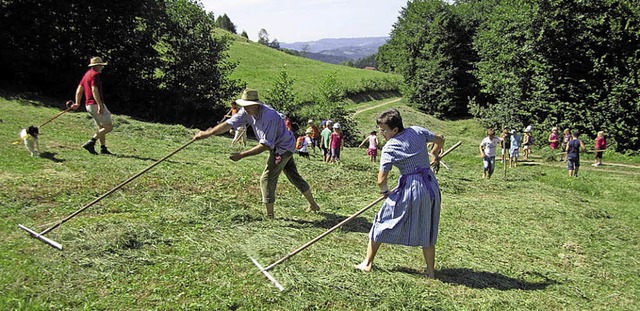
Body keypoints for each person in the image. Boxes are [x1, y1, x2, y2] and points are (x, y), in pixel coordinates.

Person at [194, 89, 321, 218]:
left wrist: (242, 155)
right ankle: (313, 205)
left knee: (266, 179)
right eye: (243, 105)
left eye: (247, 106)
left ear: (256, 105)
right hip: (280, 145)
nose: (245, 109)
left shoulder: (269, 117)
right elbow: (229, 124)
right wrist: (207, 133)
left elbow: (265, 145)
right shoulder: (246, 111)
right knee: (294, 176)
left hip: (283, 148)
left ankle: (269, 216)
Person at [355, 109, 444, 278]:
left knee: (382, 220)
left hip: (412, 188)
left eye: (383, 130)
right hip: (431, 186)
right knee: (428, 226)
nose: (381, 134)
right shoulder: (417, 131)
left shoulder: (390, 147)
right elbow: (440, 139)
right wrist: (434, 154)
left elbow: (381, 179)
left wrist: (385, 192)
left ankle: (367, 263)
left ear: (394, 130)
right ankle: (431, 272)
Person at [70, 56, 113, 155]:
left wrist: (77, 103)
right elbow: (94, 89)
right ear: (97, 66)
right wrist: (99, 105)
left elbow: (79, 89)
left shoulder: (87, 74)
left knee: (101, 127)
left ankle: (103, 148)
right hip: (95, 104)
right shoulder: (95, 75)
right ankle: (91, 142)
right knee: (109, 127)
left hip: (88, 105)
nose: (102, 67)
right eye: (101, 66)